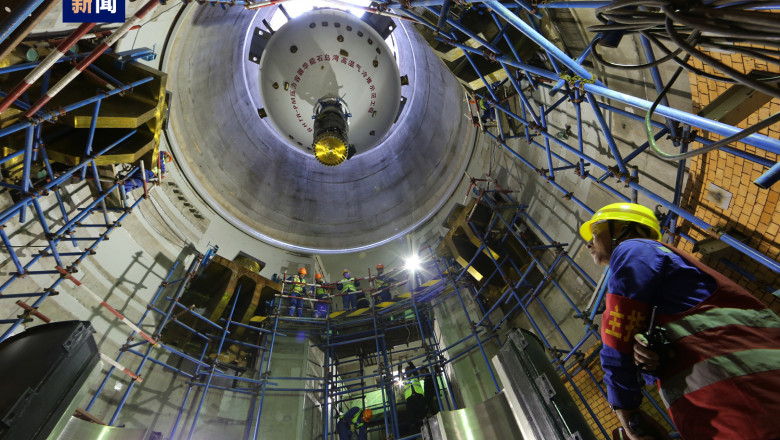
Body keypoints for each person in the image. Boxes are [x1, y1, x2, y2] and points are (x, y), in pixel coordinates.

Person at [580, 202, 780, 440]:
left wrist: (626, 412)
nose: (589, 243)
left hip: (747, 404)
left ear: (621, 228)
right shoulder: (668, 284)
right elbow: (687, 332)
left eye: (594, 233)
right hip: (740, 405)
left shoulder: (633, 249)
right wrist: (652, 357)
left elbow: (617, 331)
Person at [402, 363, 427, 434]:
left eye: (409, 370)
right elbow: (400, 374)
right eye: (407, 371)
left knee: (423, 414)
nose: (408, 372)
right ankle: (415, 433)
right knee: (412, 417)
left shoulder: (415, 376)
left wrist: (409, 362)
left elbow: (414, 369)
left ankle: (426, 429)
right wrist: (399, 366)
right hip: (410, 399)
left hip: (418, 396)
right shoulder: (404, 380)